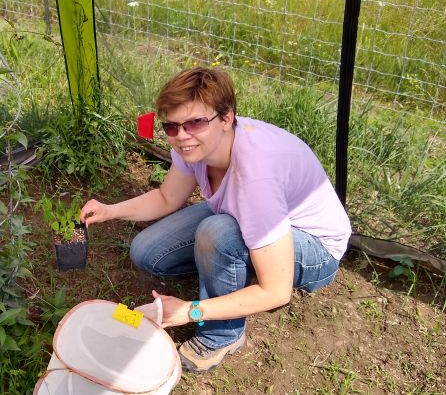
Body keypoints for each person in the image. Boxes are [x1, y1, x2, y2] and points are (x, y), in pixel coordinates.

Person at [80, 67, 351, 373]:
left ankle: (222, 334)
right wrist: (110, 210)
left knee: (218, 234)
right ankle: (231, 269)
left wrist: (189, 310)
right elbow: (167, 198)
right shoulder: (193, 146)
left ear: (226, 118)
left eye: (195, 123)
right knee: (147, 252)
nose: (181, 136)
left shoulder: (256, 177)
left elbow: (277, 291)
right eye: (171, 127)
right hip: (253, 219)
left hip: (316, 249)